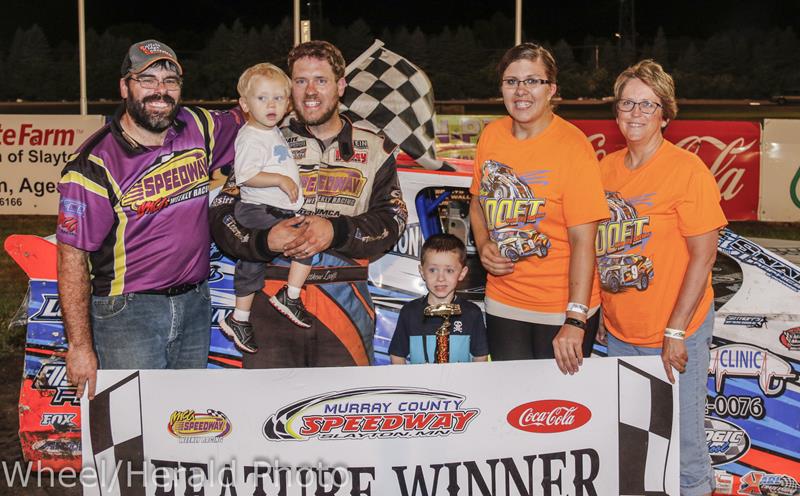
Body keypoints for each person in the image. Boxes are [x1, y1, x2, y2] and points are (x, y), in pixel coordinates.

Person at [56, 40, 244, 400]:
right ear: (124, 87)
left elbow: (253, 110)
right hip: (128, 313)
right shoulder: (93, 164)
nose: (161, 90)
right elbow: (71, 256)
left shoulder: (199, 125)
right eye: (147, 79)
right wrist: (79, 346)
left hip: (194, 302)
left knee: (183, 417)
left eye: (170, 81)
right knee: (133, 420)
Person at [210, 40, 408, 368]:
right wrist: (262, 241)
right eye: (301, 81)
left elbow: (392, 220)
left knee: (346, 399)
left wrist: (336, 231)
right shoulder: (265, 136)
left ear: (340, 86)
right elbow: (221, 213)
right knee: (266, 400)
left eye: (321, 80)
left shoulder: (375, 148)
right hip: (269, 296)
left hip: (345, 300)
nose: (310, 91)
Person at [595, 59, 726, 496]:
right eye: (627, 103)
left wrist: (676, 330)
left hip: (675, 330)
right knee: (636, 446)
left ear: (665, 115)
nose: (635, 113)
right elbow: (600, 247)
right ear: (616, 110)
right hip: (621, 333)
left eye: (647, 105)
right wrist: (599, 307)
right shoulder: (604, 170)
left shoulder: (687, 170)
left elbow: (704, 257)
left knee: (685, 445)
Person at [468, 43, 608, 370]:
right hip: (504, 301)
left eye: (532, 81)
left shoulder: (574, 146)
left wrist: (575, 319)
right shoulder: (491, 136)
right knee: (512, 397)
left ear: (551, 89)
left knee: (559, 402)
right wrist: (484, 243)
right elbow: (477, 202)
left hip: (560, 308)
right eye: (511, 81)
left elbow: (583, 241)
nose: (521, 91)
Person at [219, 63, 313, 354]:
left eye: (278, 98)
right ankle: (245, 315)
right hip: (256, 208)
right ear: (245, 105)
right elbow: (245, 176)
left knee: (305, 244)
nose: (271, 105)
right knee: (255, 257)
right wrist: (280, 179)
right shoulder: (251, 136)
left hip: (277, 209)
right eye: (262, 98)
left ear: (287, 104)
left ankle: (286, 298)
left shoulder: (272, 131)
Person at [389, 234, 489, 364]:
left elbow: (480, 357)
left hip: (460, 378)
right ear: (422, 271)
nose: (440, 278)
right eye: (432, 270)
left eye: (449, 270)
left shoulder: (472, 313)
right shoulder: (409, 312)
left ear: (462, 273)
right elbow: (397, 356)